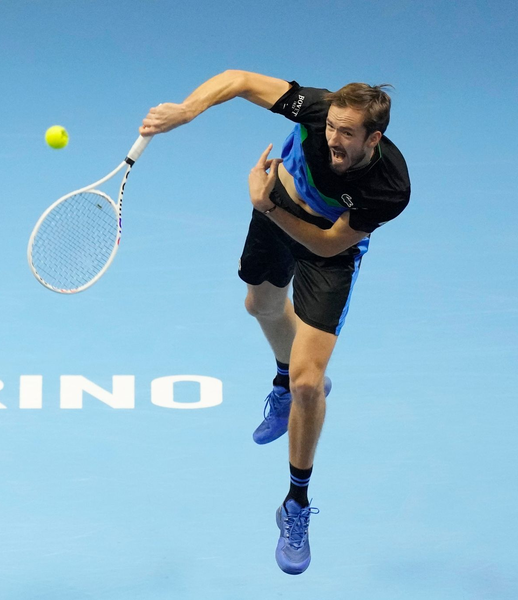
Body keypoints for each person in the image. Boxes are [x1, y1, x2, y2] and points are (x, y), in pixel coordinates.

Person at [140, 71, 410, 575]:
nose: (333, 137)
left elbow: (328, 244)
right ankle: (283, 381)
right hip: (274, 207)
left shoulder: (388, 187)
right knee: (260, 307)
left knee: (312, 385)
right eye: (331, 127)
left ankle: (295, 504)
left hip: (326, 248)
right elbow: (239, 79)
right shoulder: (317, 109)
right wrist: (185, 110)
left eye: (347, 134)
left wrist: (264, 203)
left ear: (373, 139)